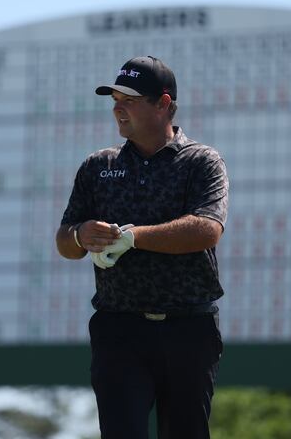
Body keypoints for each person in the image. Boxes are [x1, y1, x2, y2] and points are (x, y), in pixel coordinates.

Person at [55, 55, 229, 439]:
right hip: (119, 329)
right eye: (114, 99)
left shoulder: (201, 161)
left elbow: (206, 229)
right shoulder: (98, 166)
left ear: (164, 104)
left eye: (130, 100)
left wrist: (132, 237)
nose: (118, 108)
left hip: (188, 329)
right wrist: (82, 234)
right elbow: (64, 241)